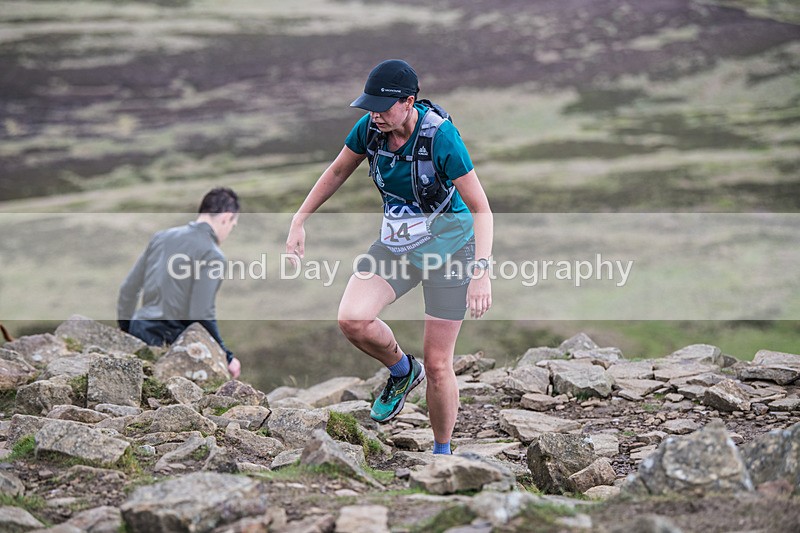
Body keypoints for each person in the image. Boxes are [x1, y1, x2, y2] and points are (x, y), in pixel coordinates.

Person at [286, 59, 493, 455]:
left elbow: (482, 208)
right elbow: (335, 172)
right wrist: (300, 219)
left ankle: (442, 455)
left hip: (450, 252)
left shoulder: (441, 138)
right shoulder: (370, 130)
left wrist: (481, 271)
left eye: (382, 107)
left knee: (438, 364)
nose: (373, 114)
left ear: (408, 102)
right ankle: (401, 370)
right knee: (352, 318)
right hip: (396, 247)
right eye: (369, 106)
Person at [117, 187, 242, 379]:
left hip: (139, 327)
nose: (228, 232)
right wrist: (227, 356)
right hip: (171, 345)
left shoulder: (161, 237)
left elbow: (128, 289)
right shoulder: (212, 254)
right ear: (227, 217)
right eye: (233, 225)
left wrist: (128, 332)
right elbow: (200, 312)